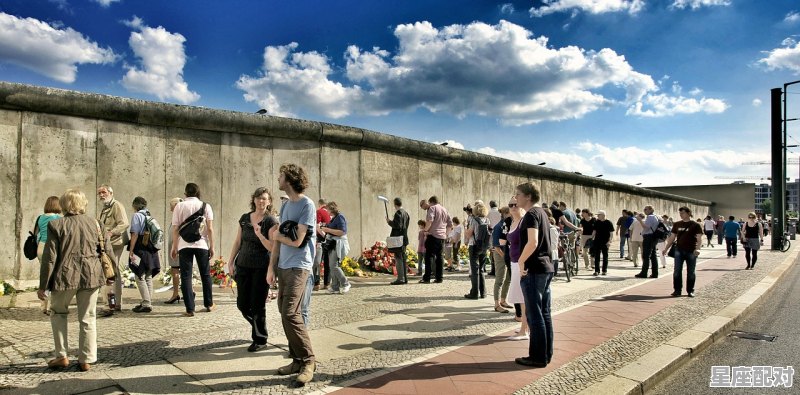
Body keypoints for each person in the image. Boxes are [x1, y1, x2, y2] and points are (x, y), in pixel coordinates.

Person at [38, 189, 109, 372]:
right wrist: (111, 275)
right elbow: (107, 251)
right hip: (92, 275)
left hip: (65, 275)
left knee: (58, 313)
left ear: (64, 205)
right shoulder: (96, 223)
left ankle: (61, 356)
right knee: (88, 317)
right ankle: (86, 359)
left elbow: (50, 258)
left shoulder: (56, 225)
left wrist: (43, 286)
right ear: (83, 203)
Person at [268, 163, 316, 385]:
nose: (278, 178)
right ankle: (296, 359)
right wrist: (272, 267)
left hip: (300, 265)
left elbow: (297, 241)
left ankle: (308, 361)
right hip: (284, 266)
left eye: (280, 175)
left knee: (291, 312)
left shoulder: (307, 205)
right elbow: (278, 241)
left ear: (289, 179)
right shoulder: (286, 206)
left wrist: (277, 237)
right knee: (282, 311)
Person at [229, 187, 278, 352]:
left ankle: (260, 339)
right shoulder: (244, 218)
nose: (261, 201)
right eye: (258, 198)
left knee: (257, 305)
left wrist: (260, 235)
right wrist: (230, 262)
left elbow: (272, 247)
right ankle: (259, 327)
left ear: (269, 201)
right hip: (243, 265)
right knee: (242, 304)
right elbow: (237, 242)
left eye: (264, 198)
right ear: (254, 200)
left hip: (261, 267)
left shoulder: (270, 221)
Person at [515, 182, 554, 368]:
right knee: (544, 313)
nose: (516, 198)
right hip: (545, 268)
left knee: (534, 314)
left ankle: (537, 357)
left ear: (528, 196)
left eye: (518, 194)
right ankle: (546, 353)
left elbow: (533, 242)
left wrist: (521, 261)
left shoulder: (531, 214)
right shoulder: (542, 213)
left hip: (534, 269)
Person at [170, 183, 215, 317]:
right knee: (205, 275)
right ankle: (209, 304)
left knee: (186, 276)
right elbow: (210, 229)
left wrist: (174, 246)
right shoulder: (206, 206)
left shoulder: (179, 206)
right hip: (201, 244)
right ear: (198, 193)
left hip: (184, 245)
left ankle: (190, 309)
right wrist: (212, 246)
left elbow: (175, 229)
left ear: (185, 194)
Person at [97, 185, 129, 317]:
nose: (101, 195)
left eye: (103, 192)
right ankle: (115, 304)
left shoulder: (116, 205)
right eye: (99, 193)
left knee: (109, 272)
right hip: (108, 244)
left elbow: (124, 223)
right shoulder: (105, 208)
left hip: (115, 243)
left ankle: (109, 305)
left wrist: (110, 233)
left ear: (110, 192)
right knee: (114, 272)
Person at [128, 197, 161, 313]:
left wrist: (131, 250)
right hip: (151, 249)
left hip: (141, 248)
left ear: (135, 205)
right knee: (148, 276)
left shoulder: (137, 216)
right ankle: (147, 301)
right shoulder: (149, 215)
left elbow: (135, 234)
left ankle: (146, 303)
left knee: (139, 276)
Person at [661, 206, 703, 297]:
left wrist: (698, 249)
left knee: (691, 272)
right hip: (679, 250)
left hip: (691, 251)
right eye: (680, 213)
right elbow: (672, 237)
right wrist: (666, 248)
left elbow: (699, 238)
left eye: (683, 213)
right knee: (677, 271)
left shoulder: (695, 225)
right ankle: (677, 290)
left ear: (688, 213)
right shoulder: (677, 224)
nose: (681, 215)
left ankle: (690, 290)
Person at [505, 196, 528, 340]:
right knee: (519, 298)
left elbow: (530, 243)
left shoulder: (524, 222)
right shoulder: (513, 221)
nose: (513, 206)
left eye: (515, 204)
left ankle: (524, 330)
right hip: (514, 262)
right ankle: (525, 327)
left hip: (521, 263)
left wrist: (522, 263)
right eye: (510, 204)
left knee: (523, 298)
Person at [36, 196, 62, 315]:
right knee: (54, 275)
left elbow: (35, 233)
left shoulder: (40, 217)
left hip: (41, 247)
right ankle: (52, 305)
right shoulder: (59, 218)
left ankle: (43, 305)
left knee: (44, 273)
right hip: (53, 247)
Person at [320, 202, 351, 294]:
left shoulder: (340, 217)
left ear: (331, 209)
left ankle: (346, 283)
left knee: (334, 265)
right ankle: (335, 287)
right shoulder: (333, 218)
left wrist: (327, 230)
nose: (326, 211)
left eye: (327, 209)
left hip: (337, 244)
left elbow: (342, 232)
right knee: (331, 265)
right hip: (332, 244)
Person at [422, 196, 452, 284]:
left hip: (433, 235)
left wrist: (425, 230)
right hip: (442, 237)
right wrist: (445, 234)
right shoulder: (444, 210)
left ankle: (427, 278)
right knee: (439, 257)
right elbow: (450, 225)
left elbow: (429, 221)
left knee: (429, 257)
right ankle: (439, 278)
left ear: (431, 202)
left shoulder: (432, 208)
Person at [464, 200, 490, 299]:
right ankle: (483, 293)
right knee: (482, 269)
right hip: (483, 246)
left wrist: (465, 226)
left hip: (474, 246)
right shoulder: (487, 220)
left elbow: (469, 234)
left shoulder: (474, 220)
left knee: (474, 270)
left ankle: (474, 293)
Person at [492, 206, 512, 313]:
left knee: (508, 278)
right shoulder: (498, 226)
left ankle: (503, 300)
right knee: (499, 279)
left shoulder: (509, 225)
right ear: (505, 213)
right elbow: (496, 246)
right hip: (500, 254)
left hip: (508, 254)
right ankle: (496, 304)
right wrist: (505, 256)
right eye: (510, 212)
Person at [387, 197, 410, 285]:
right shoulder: (406, 213)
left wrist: (389, 222)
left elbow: (398, 225)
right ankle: (404, 278)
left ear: (395, 204)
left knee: (398, 258)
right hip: (404, 238)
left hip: (398, 239)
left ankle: (400, 278)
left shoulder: (398, 213)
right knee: (403, 258)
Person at [164, 198, 183, 304]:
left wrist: (175, 248)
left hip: (177, 249)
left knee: (176, 271)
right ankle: (189, 292)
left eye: (171, 206)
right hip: (176, 248)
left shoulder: (179, 218)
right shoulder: (178, 217)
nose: (170, 208)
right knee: (181, 271)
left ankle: (176, 294)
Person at [635, 205, 660, 279]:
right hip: (653, 237)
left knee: (646, 255)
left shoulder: (650, 217)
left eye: (645, 209)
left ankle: (644, 272)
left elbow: (646, 226)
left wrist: (640, 220)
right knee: (653, 255)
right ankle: (655, 273)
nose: (644, 211)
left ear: (650, 210)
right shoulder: (656, 216)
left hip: (649, 237)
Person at [314, 198, 331, 290]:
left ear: (319, 204)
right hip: (330, 240)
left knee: (317, 262)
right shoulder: (330, 214)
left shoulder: (319, 211)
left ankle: (316, 284)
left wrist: (324, 236)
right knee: (327, 262)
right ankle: (327, 283)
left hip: (320, 240)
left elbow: (317, 226)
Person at [591, 210, 614, 276]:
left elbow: (611, 233)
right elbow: (594, 231)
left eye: (599, 215)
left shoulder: (608, 222)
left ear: (603, 215)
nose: (597, 216)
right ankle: (597, 271)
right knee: (597, 256)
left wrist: (609, 241)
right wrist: (591, 238)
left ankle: (604, 270)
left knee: (605, 256)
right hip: (597, 241)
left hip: (605, 242)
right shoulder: (597, 222)